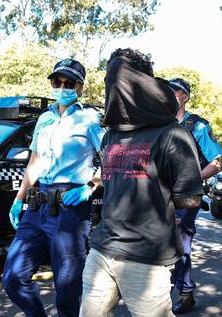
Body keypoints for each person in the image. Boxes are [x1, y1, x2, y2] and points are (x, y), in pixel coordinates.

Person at [80, 48, 204, 317]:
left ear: (144, 83)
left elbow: (190, 200)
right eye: (109, 80)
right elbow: (110, 181)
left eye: (120, 78)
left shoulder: (173, 135)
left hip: (147, 260)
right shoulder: (109, 136)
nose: (113, 86)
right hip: (101, 250)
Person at [2, 59, 105, 317]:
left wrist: (90, 185)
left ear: (80, 87)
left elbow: (114, 159)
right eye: (56, 82)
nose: (61, 87)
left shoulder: (90, 118)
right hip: (37, 208)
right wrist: (19, 199)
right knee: (13, 277)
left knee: (67, 291)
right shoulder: (44, 119)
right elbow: (34, 163)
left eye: (68, 83)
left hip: (71, 209)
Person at [168, 77, 222, 314]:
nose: (171, 95)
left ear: (185, 97)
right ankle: (171, 289)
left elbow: (216, 164)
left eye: (176, 91)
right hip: (159, 195)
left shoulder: (197, 126)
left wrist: (190, 179)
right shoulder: (159, 124)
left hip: (186, 196)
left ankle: (184, 291)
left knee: (179, 245)